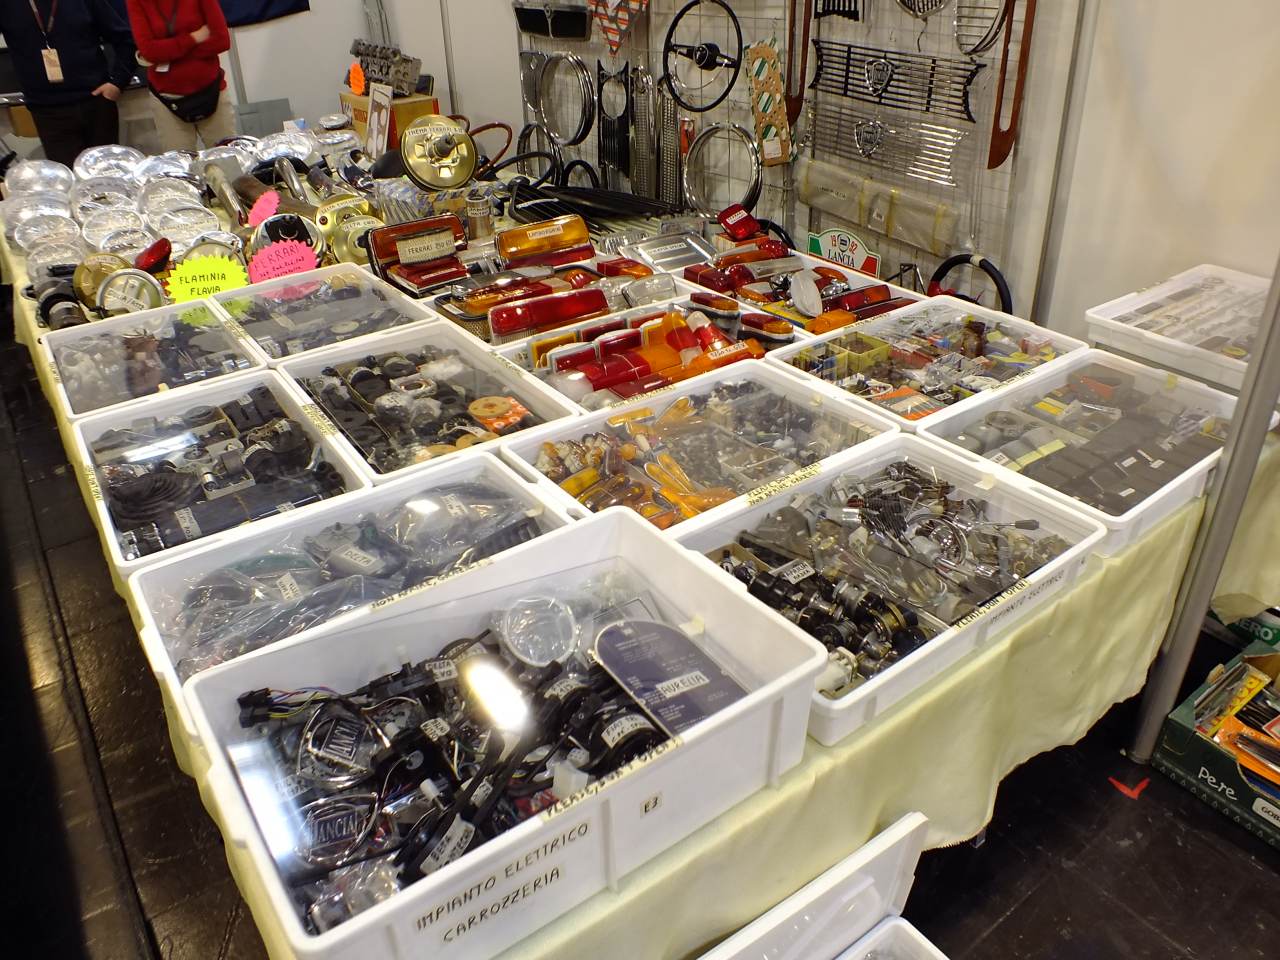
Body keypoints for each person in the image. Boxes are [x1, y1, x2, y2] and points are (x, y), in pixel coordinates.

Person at [0, 0, 137, 167]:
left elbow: (125, 39)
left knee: (106, 173)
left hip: (97, 102)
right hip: (47, 110)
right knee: (67, 177)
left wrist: (118, 82)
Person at [125, 0, 233, 150]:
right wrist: (194, 37)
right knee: (179, 163)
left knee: (226, 158)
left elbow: (222, 40)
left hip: (211, 90)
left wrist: (169, 53)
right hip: (166, 99)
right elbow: (149, 51)